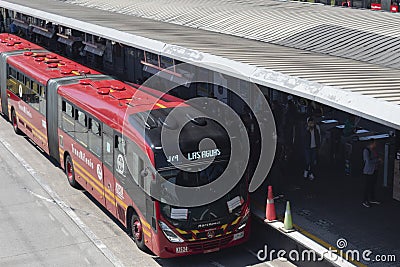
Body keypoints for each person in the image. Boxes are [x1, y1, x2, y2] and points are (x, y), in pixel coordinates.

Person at [362, 139, 381, 208]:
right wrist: (377, 160)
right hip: (368, 171)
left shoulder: (374, 150)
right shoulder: (366, 151)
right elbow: (368, 162)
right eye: (375, 143)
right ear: (371, 143)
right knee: (367, 186)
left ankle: (372, 198)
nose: (376, 144)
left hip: (375, 170)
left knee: (373, 185)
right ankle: (365, 200)